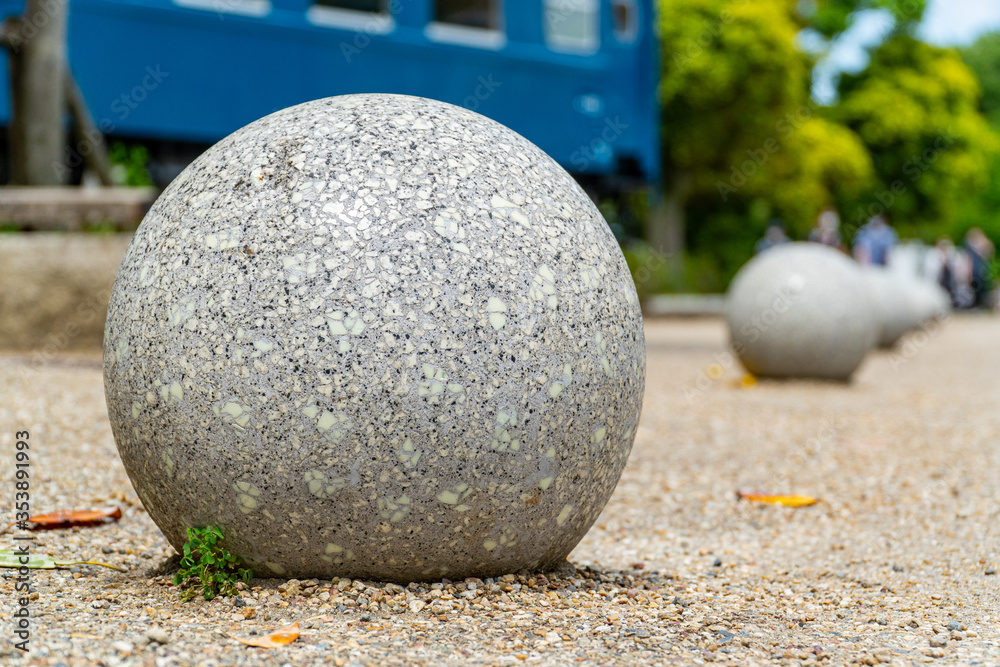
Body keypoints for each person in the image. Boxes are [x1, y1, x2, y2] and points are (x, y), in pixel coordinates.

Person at [963, 228, 995, 309]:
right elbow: (968, 260)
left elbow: (990, 254)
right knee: (975, 287)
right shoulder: (969, 246)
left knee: (983, 287)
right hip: (975, 270)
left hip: (982, 270)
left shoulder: (982, 245)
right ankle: (977, 303)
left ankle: (982, 304)